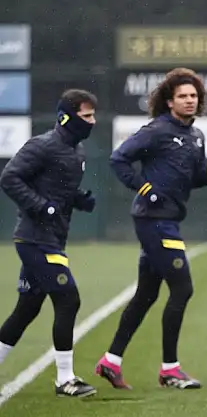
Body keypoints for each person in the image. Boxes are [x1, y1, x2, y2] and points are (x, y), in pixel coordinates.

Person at [94, 67, 207, 390]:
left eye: (193, 95)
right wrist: (144, 189)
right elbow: (118, 159)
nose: (190, 100)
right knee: (183, 289)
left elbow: (193, 179)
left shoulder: (196, 135)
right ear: (169, 101)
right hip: (153, 220)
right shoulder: (156, 130)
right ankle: (170, 369)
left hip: (169, 218)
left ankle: (111, 361)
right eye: (183, 96)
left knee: (146, 294)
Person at [0, 89, 99, 397]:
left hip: (53, 238)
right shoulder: (42, 145)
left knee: (26, 309)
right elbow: (9, 178)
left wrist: (78, 199)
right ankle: (64, 379)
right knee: (68, 299)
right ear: (66, 117)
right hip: (35, 239)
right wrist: (42, 207)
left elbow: (57, 189)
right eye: (86, 115)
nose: (92, 121)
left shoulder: (77, 151)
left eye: (93, 115)